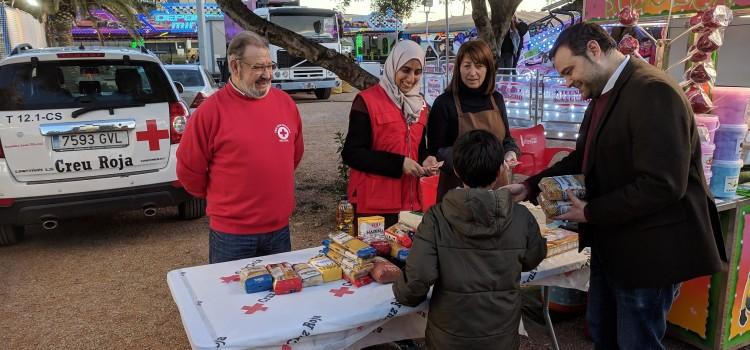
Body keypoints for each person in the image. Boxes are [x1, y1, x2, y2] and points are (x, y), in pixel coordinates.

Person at [504, 22, 727, 349]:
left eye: (570, 70)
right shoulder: (603, 94)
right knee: (602, 333)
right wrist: (530, 187)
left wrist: (592, 211)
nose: (568, 81)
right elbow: (583, 158)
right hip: (613, 247)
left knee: (637, 341)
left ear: (594, 50)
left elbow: (663, 184)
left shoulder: (653, 90)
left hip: (650, 255)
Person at [393, 129, 547, 349]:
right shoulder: (521, 216)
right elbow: (534, 257)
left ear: (456, 169)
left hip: (449, 337)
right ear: (500, 170)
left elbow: (417, 280)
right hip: (501, 335)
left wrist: (401, 292)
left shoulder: (436, 217)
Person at [176, 31, 304, 264]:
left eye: (269, 66)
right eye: (258, 67)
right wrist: (225, 198)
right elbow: (189, 170)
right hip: (232, 236)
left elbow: (293, 156)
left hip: (279, 231)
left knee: (282, 298)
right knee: (230, 300)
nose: (267, 75)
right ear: (235, 67)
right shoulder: (210, 112)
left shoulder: (285, 103)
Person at [342, 40, 436, 229]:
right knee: (375, 259)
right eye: (406, 70)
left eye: (418, 72)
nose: (411, 78)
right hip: (374, 208)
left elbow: (418, 148)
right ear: (393, 66)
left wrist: (426, 160)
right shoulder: (367, 101)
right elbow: (352, 153)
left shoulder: (420, 106)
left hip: (410, 206)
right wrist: (399, 164)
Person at [426, 39, 519, 202]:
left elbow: (507, 139)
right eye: (467, 65)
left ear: (488, 68)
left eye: (479, 65)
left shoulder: (496, 99)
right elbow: (436, 150)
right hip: (458, 191)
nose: (473, 72)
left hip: (498, 189)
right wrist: (471, 165)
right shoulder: (444, 103)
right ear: (458, 68)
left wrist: (511, 152)